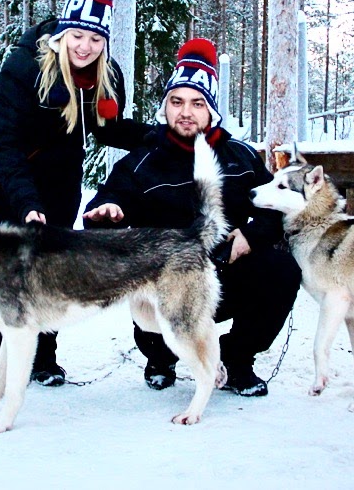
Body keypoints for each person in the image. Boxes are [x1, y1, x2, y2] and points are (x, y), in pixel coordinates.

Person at [0, 0, 152, 396]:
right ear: (62, 33)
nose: (84, 47)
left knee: (48, 268)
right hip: (0, 175)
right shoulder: (23, 68)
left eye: (95, 39)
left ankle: (42, 358)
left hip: (58, 178)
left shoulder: (105, 75)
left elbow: (107, 128)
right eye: (78, 36)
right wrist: (27, 202)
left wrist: (160, 137)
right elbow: (4, 142)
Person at [83, 38, 301, 397]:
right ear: (166, 107)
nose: (186, 111)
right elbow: (107, 203)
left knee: (281, 271)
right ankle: (160, 357)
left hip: (226, 273)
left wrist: (251, 236)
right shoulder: (142, 162)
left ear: (211, 110)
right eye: (177, 101)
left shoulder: (240, 158)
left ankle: (237, 359)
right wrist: (108, 213)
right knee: (155, 318)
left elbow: (278, 206)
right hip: (168, 286)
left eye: (197, 103)